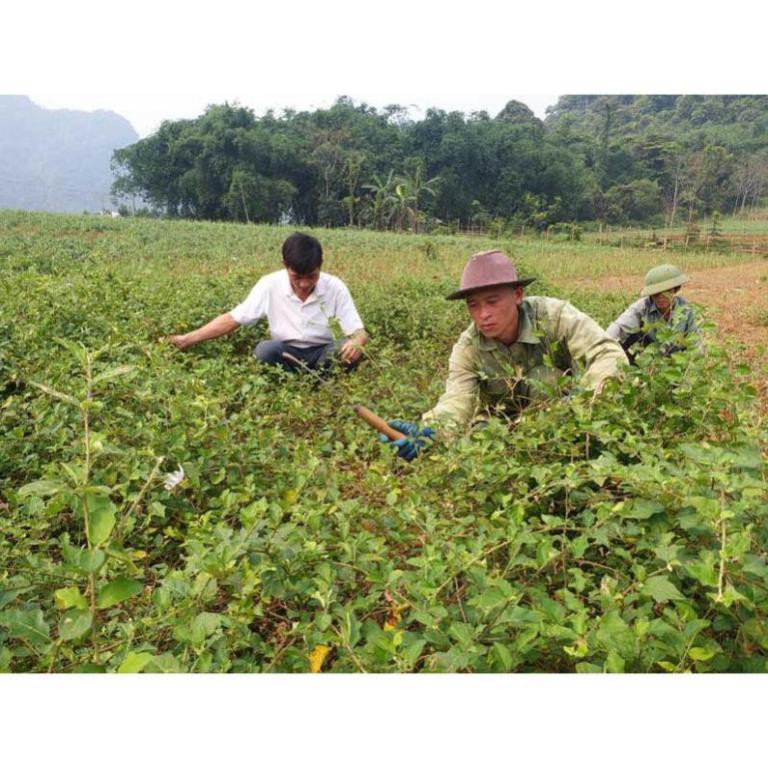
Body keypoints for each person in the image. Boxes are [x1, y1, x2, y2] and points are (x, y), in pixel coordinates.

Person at [379, 249, 628, 460]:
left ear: (517, 295)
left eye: (492, 301)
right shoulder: (468, 348)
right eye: (473, 305)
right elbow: (457, 400)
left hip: (561, 418)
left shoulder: (555, 316)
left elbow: (609, 355)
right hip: (499, 427)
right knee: (473, 450)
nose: (483, 314)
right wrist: (428, 432)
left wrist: (581, 401)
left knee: (545, 378)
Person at [167, 232, 368, 371]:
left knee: (347, 349)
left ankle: (321, 381)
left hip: (323, 352)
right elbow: (234, 319)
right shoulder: (270, 284)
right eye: (297, 277)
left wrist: (357, 342)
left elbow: (359, 332)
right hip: (287, 353)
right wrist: (187, 339)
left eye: (312, 276)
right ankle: (295, 381)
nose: (305, 284)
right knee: (264, 350)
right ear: (285, 265)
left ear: (321, 264)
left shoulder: (335, 287)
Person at [606, 263, 700, 363]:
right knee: (629, 338)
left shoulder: (687, 309)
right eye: (656, 294)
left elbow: (696, 344)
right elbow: (619, 327)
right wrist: (603, 347)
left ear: (675, 289)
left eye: (666, 292)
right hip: (651, 357)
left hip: (678, 360)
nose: (660, 297)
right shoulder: (642, 307)